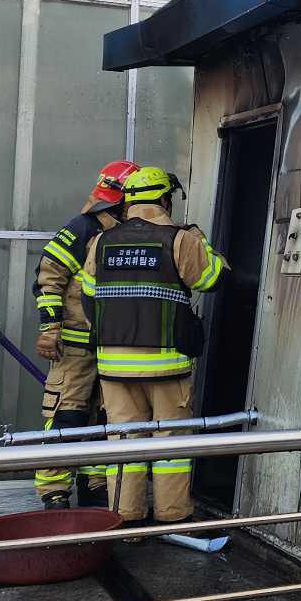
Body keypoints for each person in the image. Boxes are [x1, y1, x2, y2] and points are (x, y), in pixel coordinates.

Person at [78, 166, 227, 524]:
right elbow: (213, 278)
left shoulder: (101, 242)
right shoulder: (180, 239)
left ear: (128, 202)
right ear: (164, 199)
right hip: (166, 367)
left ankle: (125, 521)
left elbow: (87, 299)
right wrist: (201, 241)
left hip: (114, 368)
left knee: (124, 443)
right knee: (170, 445)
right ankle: (172, 517)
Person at [32, 159, 138, 510]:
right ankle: (54, 490)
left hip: (113, 347)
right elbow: (47, 278)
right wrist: (50, 328)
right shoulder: (82, 228)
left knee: (105, 418)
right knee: (68, 415)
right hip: (75, 349)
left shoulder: (129, 230)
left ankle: (95, 484)